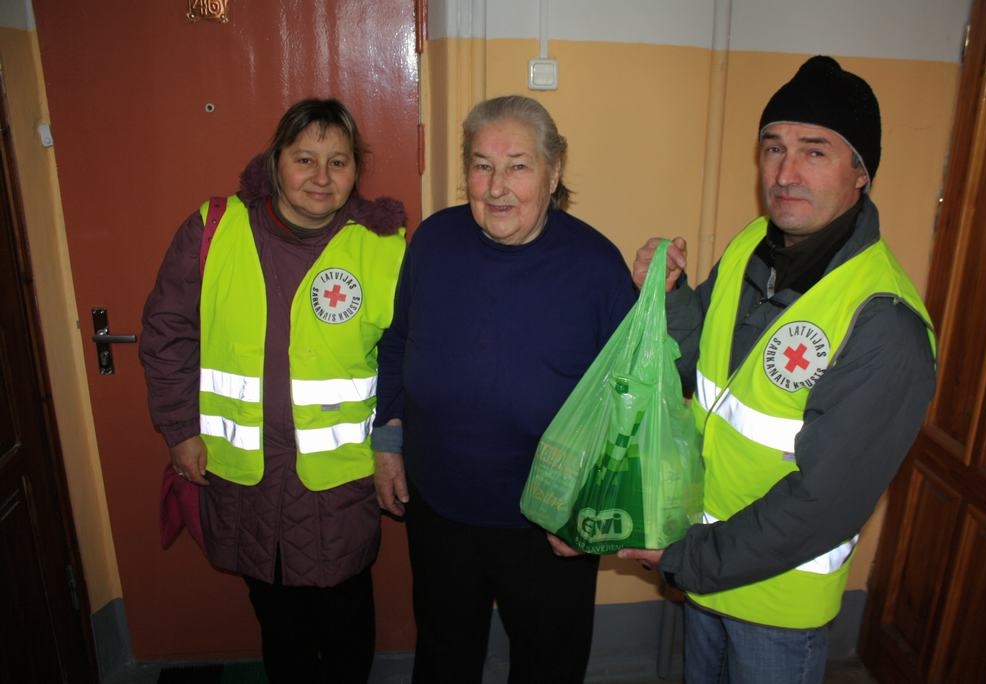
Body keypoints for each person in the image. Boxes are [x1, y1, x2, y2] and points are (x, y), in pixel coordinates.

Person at [621, 56, 937, 683]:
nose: (785, 173)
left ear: (861, 173)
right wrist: (669, 296)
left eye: (814, 152)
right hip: (705, 569)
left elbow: (824, 500)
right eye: (773, 148)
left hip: (775, 604)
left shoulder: (884, 322)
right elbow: (693, 368)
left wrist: (691, 558)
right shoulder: (749, 246)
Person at [140, 98, 407, 683]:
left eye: (338, 162)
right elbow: (167, 332)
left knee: (345, 627)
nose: (320, 177)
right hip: (245, 477)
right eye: (304, 158)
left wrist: (395, 443)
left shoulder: (385, 248)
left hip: (340, 481)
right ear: (274, 163)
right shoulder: (215, 229)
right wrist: (180, 430)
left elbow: (405, 356)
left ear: (356, 173)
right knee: (279, 627)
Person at [372, 95, 636, 683]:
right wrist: (389, 440)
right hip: (440, 508)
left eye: (517, 165)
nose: (496, 187)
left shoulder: (595, 265)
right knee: (443, 655)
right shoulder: (434, 241)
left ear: (554, 170)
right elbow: (397, 343)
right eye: (481, 164)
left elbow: (630, 400)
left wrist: (589, 507)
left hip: (548, 522)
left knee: (548, 664)